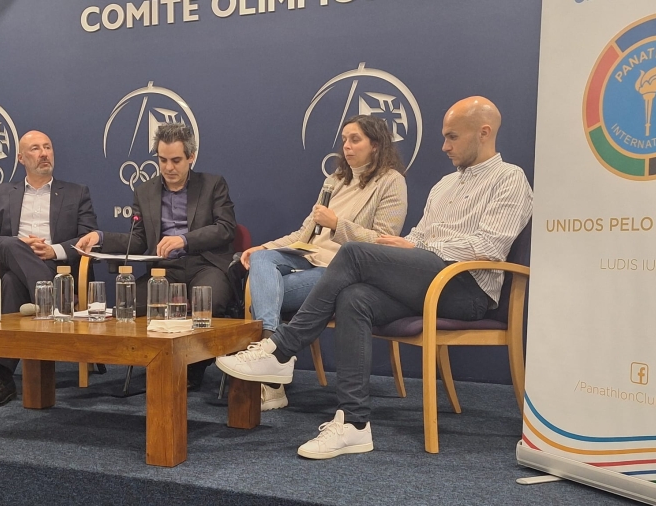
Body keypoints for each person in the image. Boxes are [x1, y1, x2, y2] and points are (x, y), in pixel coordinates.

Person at [216, 96, 533, 459]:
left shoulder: (510, 179)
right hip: (427, 279)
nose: (444, 146)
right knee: (354, 298)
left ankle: (281, 349)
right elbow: (419, 234)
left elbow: (490, 247)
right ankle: (354, 424)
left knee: (354, 252)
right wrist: (406, 245)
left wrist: (418, 247)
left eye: (452, 137)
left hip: (467, 288)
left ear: (484, 132)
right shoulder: (445, 185)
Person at [240, 115, 407, 411]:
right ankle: (273, 355)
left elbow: (383, 243)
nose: (347, 146)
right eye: (344, 140)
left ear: (376, 145)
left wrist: (337, 224)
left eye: (355, 140)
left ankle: (271, 373)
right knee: (261, 259)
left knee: (265, 291)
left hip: (341, 270)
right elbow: (304, 233)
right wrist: (264, 246)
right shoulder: (335, 181)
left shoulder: (391, 182)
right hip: (307, 258)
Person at [76, 123, 236, 389]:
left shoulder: (213, 185)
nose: (168, 168)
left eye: (176, 160)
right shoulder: (145, 191)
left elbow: (225, 228)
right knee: (129, 305)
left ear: (191, 157)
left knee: (208, 300)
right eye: (162, 160)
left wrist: (184, 239)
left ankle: (192, 367)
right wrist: (100, 237)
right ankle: (155, 362)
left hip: (205, 264)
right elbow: (138, 240)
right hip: (164, 270)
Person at [0, 130, 98, 409]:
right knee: (11, 245)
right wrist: (21, 245)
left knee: (10, 282)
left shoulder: (76, 193)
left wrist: (54, 250)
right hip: (16, 259)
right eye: (35, 149)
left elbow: (89, 237)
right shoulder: (1, 193)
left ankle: (2, 376)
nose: (44, 153)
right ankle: (51, 300)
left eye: (47, 147)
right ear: (20, 158)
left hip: (56, 267)